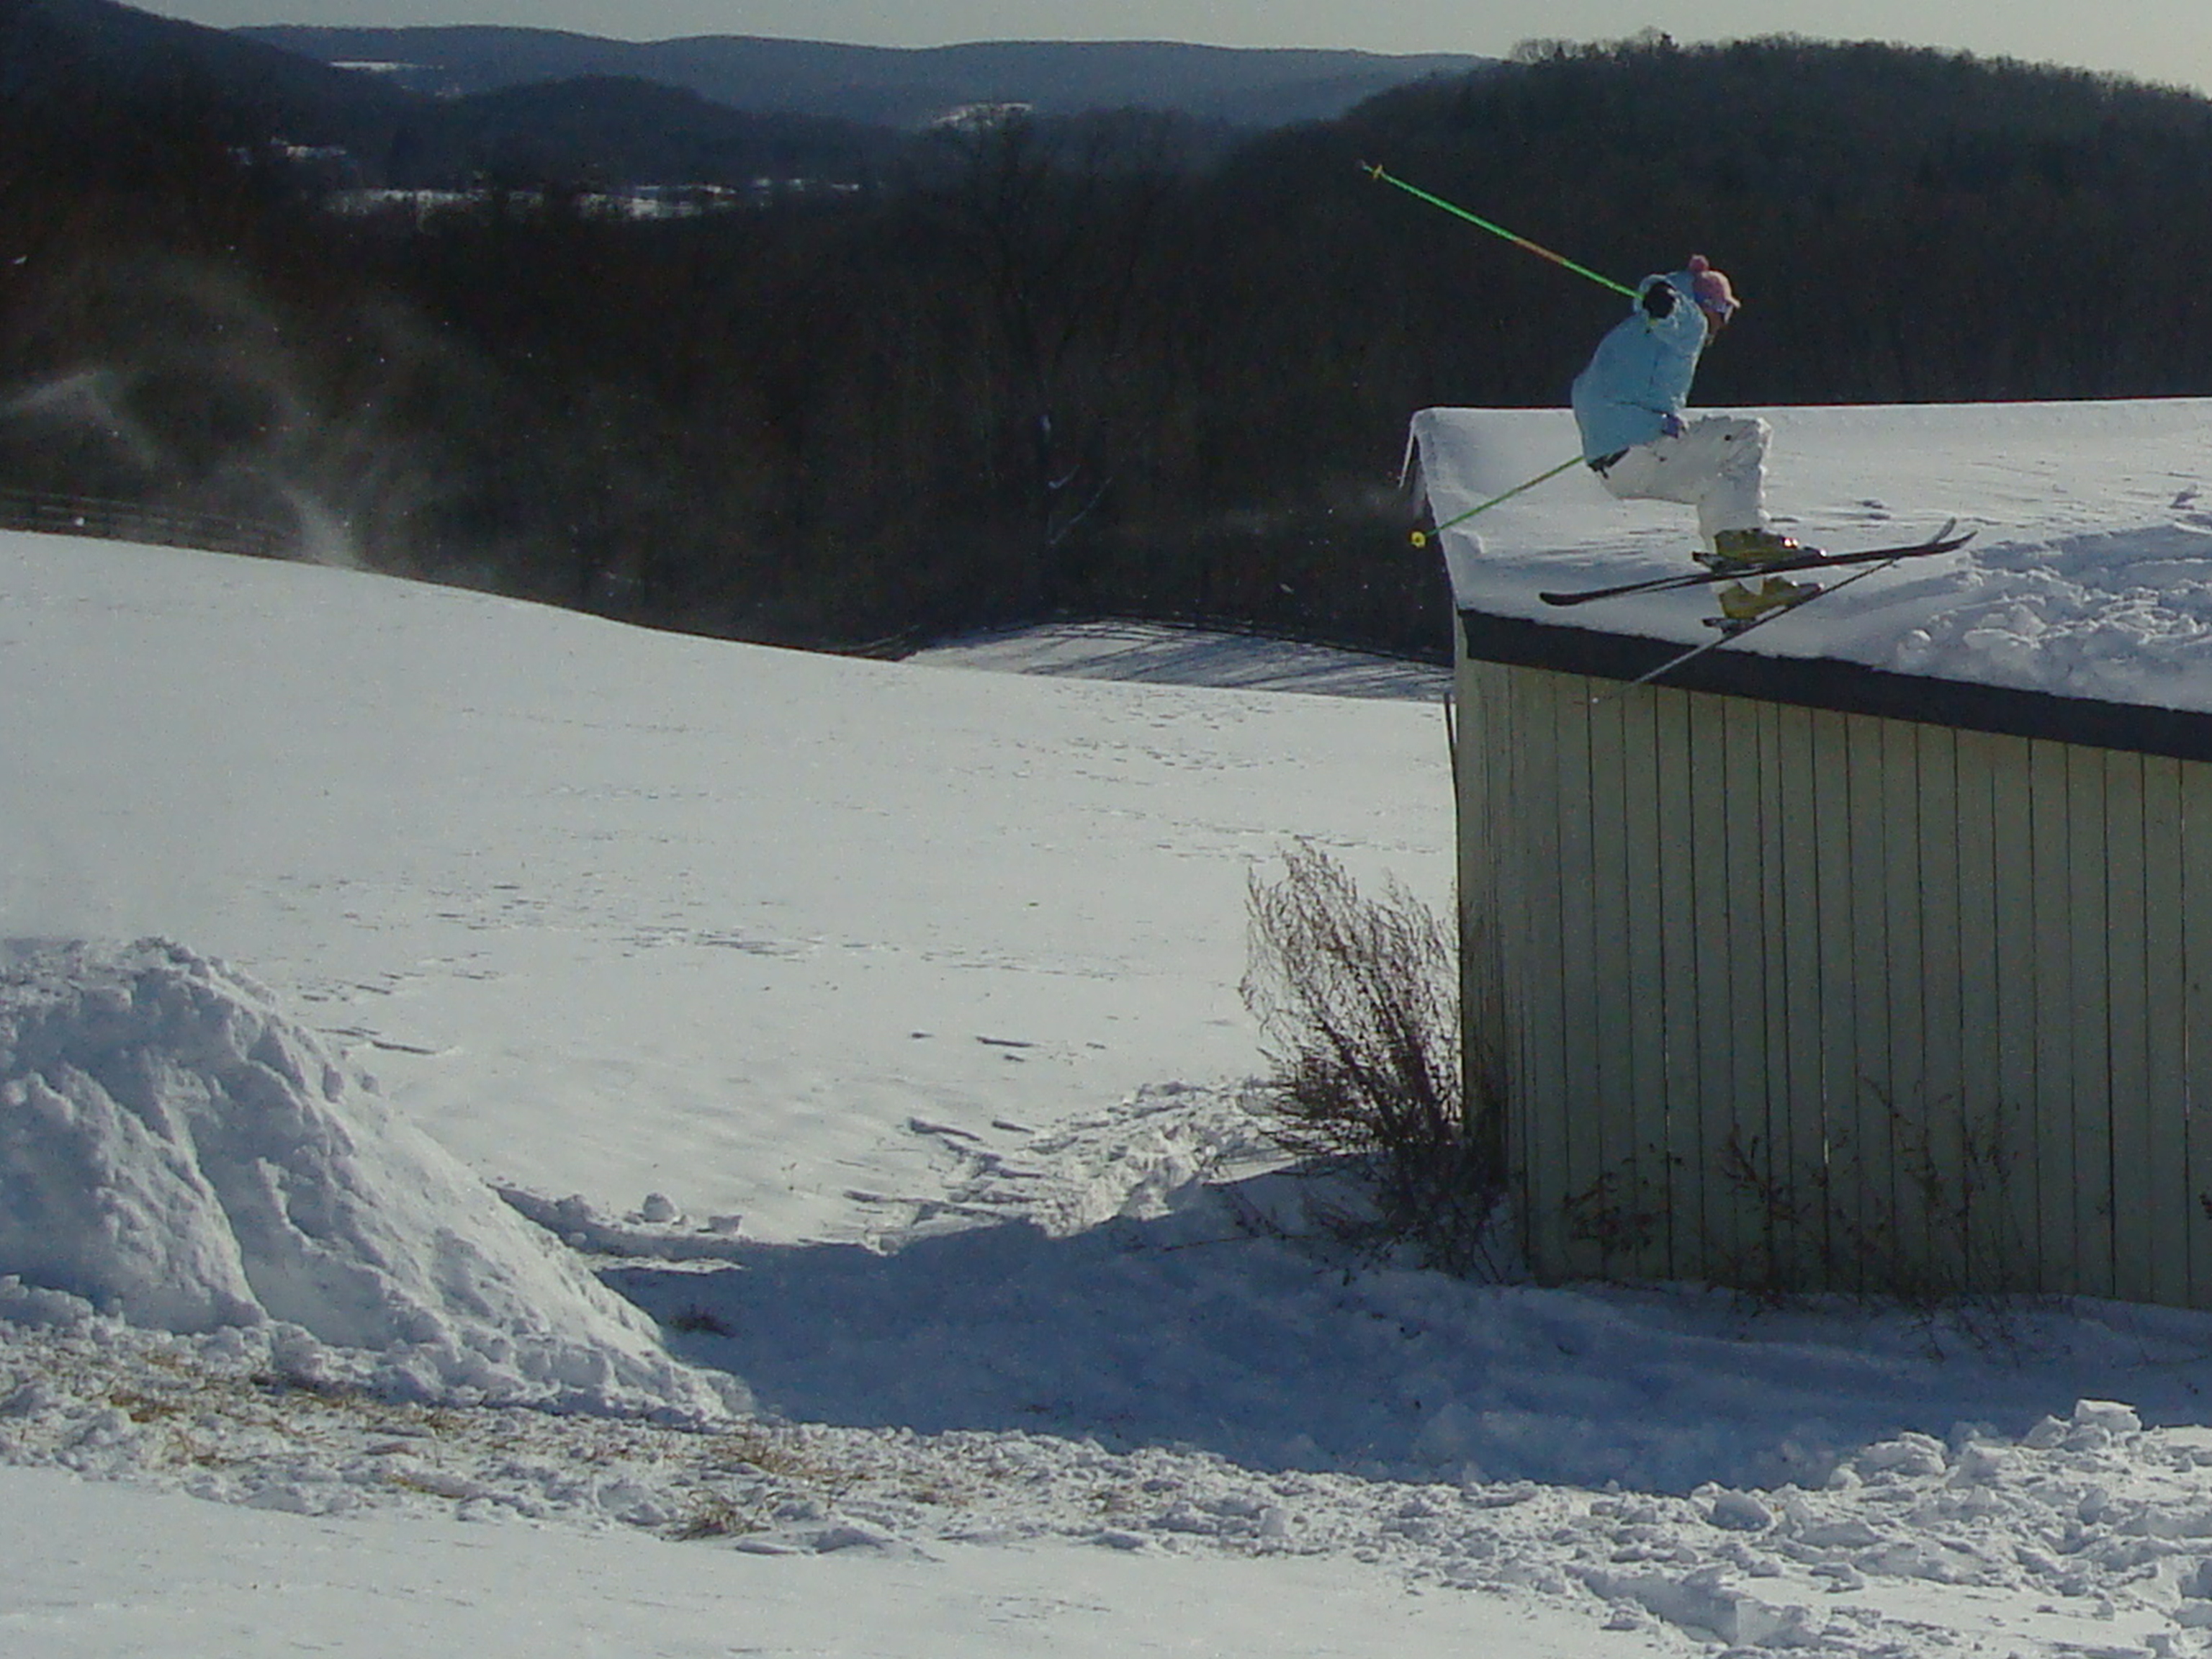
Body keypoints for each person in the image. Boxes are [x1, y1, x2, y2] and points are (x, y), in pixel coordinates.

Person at [1570, 255, 1810, 623]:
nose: (1722, 326)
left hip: (1618, 467)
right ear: (1711, 307)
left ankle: (1743, 592)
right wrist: (1665, 299)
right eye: (1725, 314)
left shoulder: (1636, 332)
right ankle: (1743, 540)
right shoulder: (1690, 323)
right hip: (1640, 448)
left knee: (1716, 488)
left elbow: (1658, 304)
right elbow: (1674, 313)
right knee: (1749, 435)